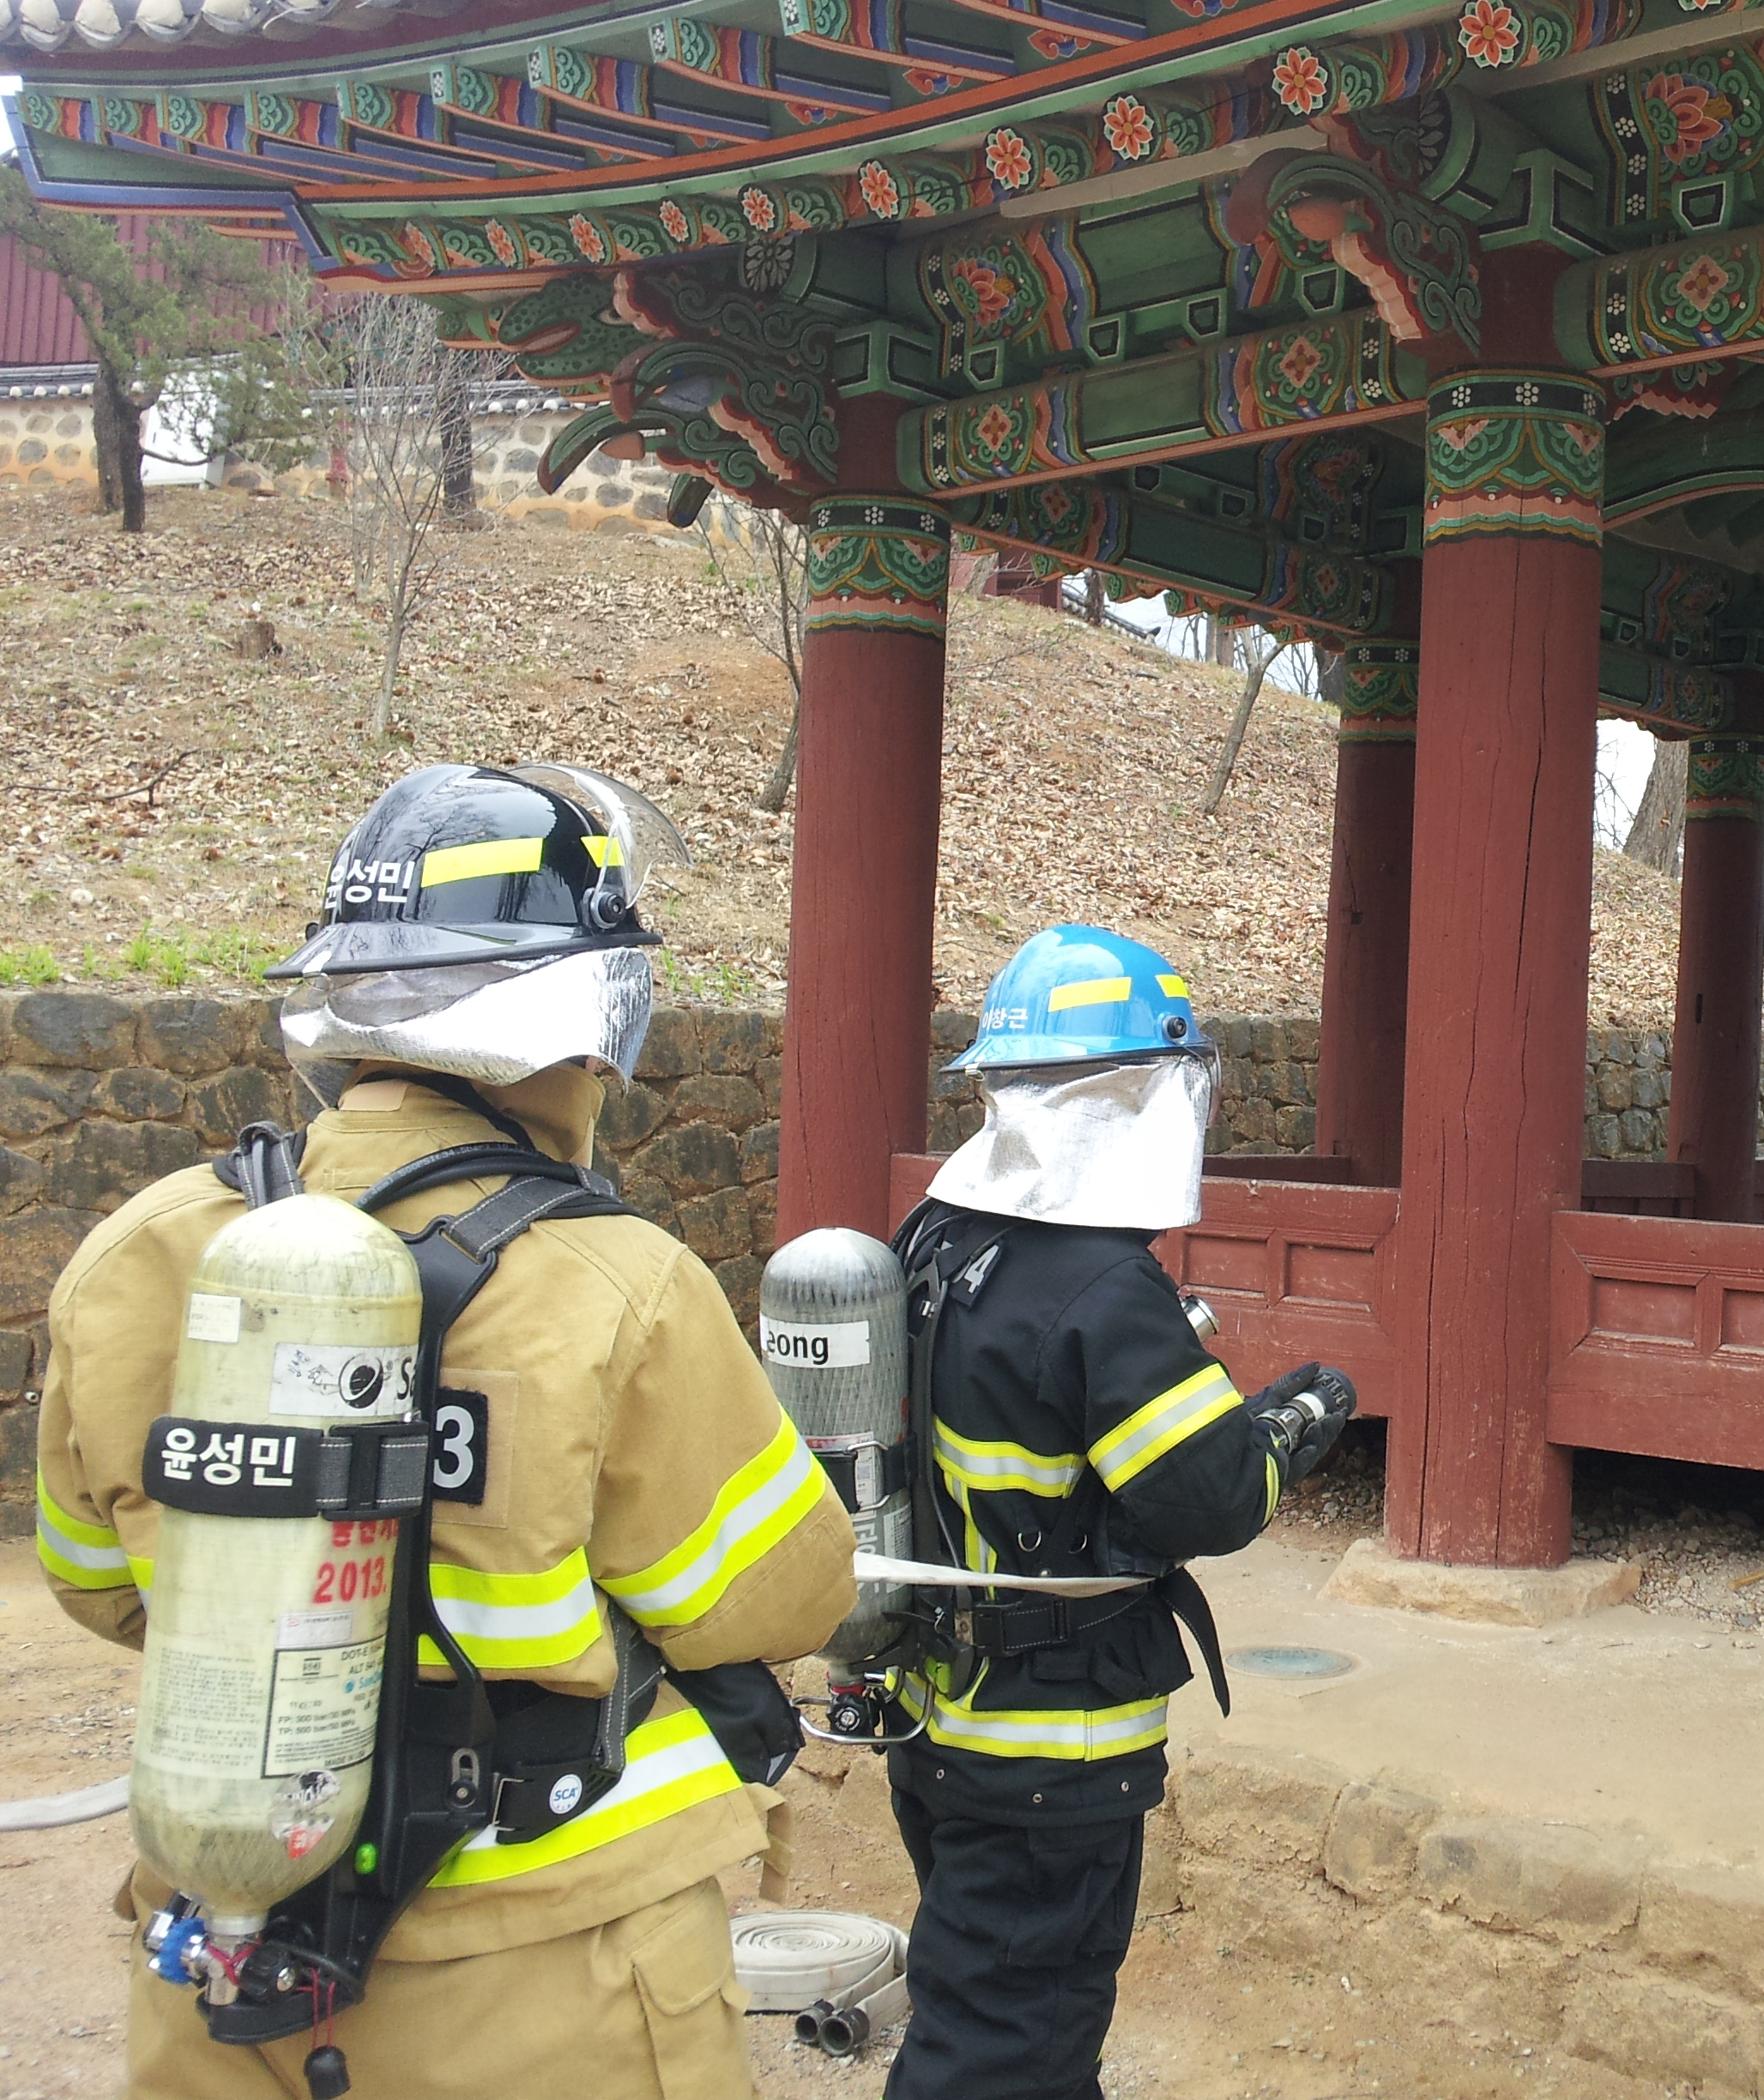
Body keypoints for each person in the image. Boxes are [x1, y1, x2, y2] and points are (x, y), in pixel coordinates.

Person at [34, 761, 855, 2100]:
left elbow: (92, 1580)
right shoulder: (620, 1283)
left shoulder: (147, 1252)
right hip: (554, 1970)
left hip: (229, 1943)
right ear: (581, 1012)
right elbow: (776, 1597)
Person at [884, 924, 1355, 2100]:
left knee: (1008, 2017)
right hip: (1052, 1749)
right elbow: (1211, 1498)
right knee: (1004, 2052)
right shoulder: (1102, 1288)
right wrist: (1289, 1428)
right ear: (1141, 1095)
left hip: (938, 1718)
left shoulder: (935, 1236)